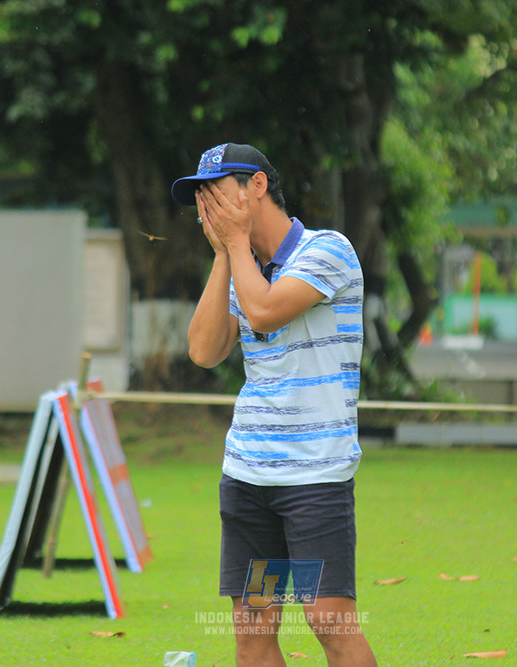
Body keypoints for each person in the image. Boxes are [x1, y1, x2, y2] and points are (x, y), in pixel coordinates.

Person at [173, 143, 377, 667]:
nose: (207, 208)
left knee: (328, 622)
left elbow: (263, 313)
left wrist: (236, 247)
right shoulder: (243, 265)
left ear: (257, 187)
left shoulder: (327, 251)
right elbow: (203, 350)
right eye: (201, 199)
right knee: (254, 632)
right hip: (250, 480)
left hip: (313, 481)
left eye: (216, 194)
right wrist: (225, 253)